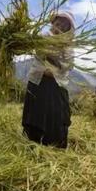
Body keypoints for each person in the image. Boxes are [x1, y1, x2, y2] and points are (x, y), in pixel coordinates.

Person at [22, 11, 74, 148]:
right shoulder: (42, 36)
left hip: (56, 83)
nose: (60, 26)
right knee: (35, 112)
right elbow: (29, 44)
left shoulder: (67, 44)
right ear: (54, 21)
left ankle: (53, 145)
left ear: (68, 29)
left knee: (56, 115)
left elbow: (69, 64)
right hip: (37, 79)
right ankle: (32, 142)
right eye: (59, 22)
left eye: (65, 25)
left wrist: (54, 70)